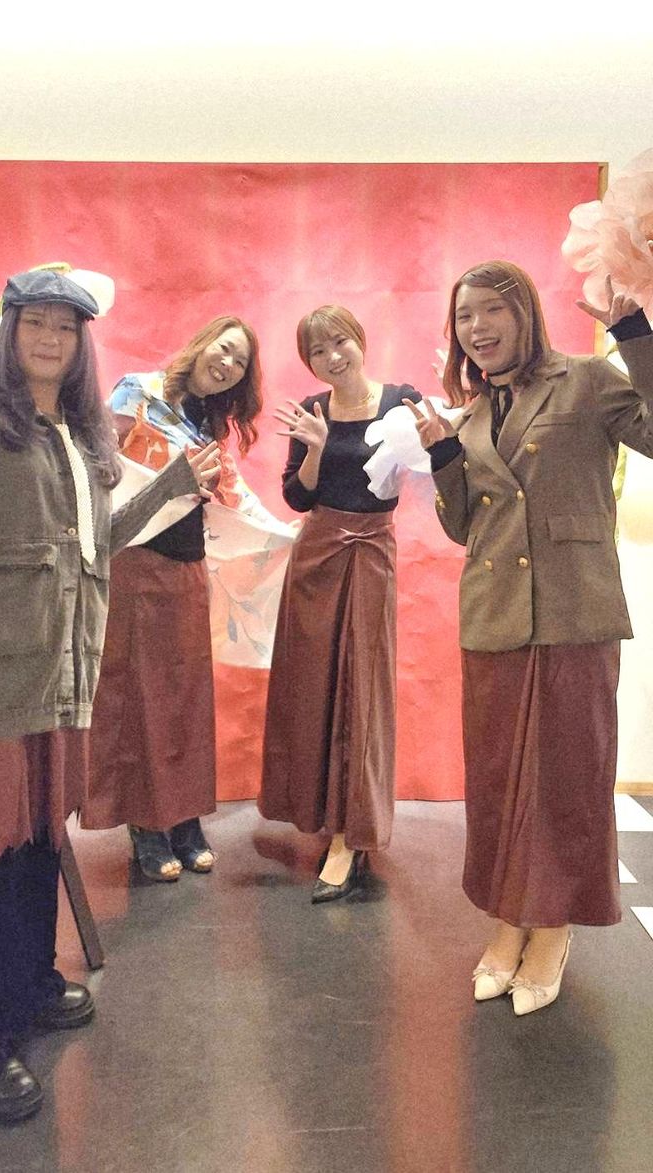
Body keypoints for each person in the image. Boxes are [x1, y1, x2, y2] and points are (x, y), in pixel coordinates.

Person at [0, 269, 220, 1120]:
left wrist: (173, 484)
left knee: (32, 843)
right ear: (11, 333)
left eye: (66, 326)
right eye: (36, 322)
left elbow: (99, 544)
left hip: (58, 680)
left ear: (82, 344)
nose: (51, 338)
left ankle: (25, 983)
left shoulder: (83, 438)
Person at [406, 260, 653, 1015]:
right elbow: (465, 528)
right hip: (493, 617)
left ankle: (552, 928)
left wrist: (635, 335)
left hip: (574, 611)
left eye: (491, 309)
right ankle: (510, 918)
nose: (476, 327)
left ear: (525, 312)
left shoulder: (587, 379)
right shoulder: (472, 413)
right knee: (499, 783)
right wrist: (443, 453)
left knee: (568, 777)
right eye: (464, 316)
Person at [81, 316, 276, 880]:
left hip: (188, 569)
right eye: (225, 349)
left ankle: (186, 819)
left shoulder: (209, 424)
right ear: (202, 343)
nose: (228, 364)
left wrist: (282, 533)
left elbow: (231, 495)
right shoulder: (137, 391)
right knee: (140, 698)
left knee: (187, 699)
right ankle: (145, 824)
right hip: (136, 562)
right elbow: (105, 468)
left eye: (240, 362)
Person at [258, 305, 421, 902]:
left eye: (339, 342)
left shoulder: (402, 401)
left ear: (359, 339)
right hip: (317, 554)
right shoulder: (313, 411)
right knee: (313, 688)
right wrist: (317, 449)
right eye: (318, 351)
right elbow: (296, 497)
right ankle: (324, 816)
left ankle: (354, 835)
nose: (332, 356)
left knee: (363, 690)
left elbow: (435, 464)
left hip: (372, 551)